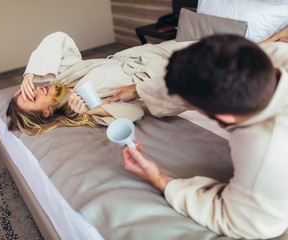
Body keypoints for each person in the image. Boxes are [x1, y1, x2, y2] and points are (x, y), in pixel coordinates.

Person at [111, 35, 288, 239]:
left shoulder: (267, 154)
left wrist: (160, 180)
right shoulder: (265, 56)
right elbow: (206, 76)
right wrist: (138, 89)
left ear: (224, 116)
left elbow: (234, 218)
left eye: (193, 105)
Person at [7, 31, 192, 135]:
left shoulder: (61, 76)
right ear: (46, 113)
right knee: (215, 61)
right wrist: (91, 109)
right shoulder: (78, 109)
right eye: (32, 98)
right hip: (165, 74)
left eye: (29, 90)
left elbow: (59, 38)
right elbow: (134, 112)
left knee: (210, 44)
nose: (36, 90)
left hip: (149, 54)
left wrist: (31, 74)